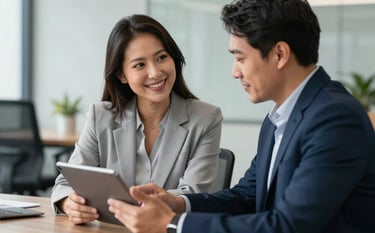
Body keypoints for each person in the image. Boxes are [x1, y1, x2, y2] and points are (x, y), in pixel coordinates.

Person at [106, 1, 375, 233]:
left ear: (280, 54)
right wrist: (178, 204)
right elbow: (246, 197)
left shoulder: (334, 118)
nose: (235, 72)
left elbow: (289, 227)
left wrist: (173, 224)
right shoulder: (279, 118)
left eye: (240, 58)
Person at [51, 14, 223, 225]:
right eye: (139, 65)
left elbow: (193, 195)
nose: (155, 72)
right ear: (122, 76)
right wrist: (69, 203)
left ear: (174, 59)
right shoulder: (100, 116)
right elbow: (66, 182)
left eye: (161, 57)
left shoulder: (206, 118)